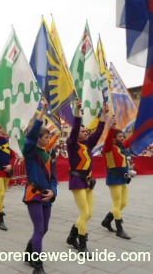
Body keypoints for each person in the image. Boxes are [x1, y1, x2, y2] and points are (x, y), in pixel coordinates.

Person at [66, 99, 109, 258]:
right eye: (83, 131)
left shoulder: (88, 145)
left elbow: (98, 132)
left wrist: (103, 113)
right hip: (77, 181)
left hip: (89, 182)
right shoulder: (72, 144)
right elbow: (76, 127)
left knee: (89, 213)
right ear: (76, 134)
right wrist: (78, 112)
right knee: (85, 213)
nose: (86, 133)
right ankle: (82, 245)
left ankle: (71, 236)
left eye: (86, 132)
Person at [22, 98, 58, 274]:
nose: (49, 139)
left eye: (49, 137)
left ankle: (30, 250)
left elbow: (54, 179)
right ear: (39, 138)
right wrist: (42, 112)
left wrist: (53, 191)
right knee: (39, 228)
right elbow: (30, 136)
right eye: (46, 137)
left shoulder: (50, 155)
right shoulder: (30, 151)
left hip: (47, 195)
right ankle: (38, 266)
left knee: (45, 229)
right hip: (34, 194)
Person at [101, 117, 132, 239]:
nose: (122, 138)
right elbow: (108, 139)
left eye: (123, 137)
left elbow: (131, 140)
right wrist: (112, 127)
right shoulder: (109, 147)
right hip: (114, 178)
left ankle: (107, 220)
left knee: (123, 203)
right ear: (114, 137)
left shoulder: (121, 147)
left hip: (123, 179)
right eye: (120, 137)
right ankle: (119, 229)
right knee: (117, 203)